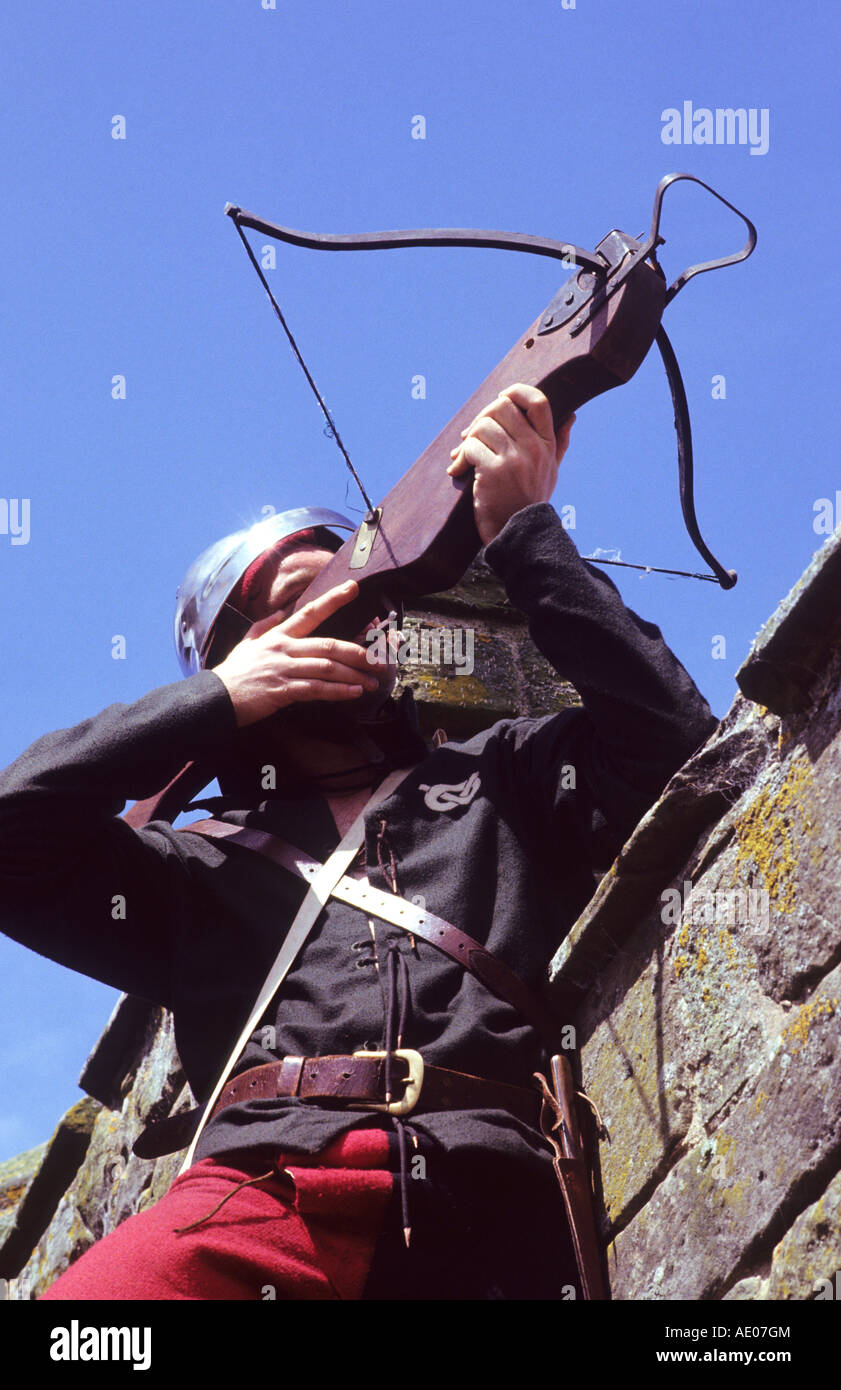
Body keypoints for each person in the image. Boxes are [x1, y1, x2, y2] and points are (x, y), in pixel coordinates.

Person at [0, 384, 717, 1300]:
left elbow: (676, 748)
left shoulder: (505, 776)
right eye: (309, 606)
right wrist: (217, 699)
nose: (355, 617)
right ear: (247, 652)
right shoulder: (193, 871)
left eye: (361, 596)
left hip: (496, 1214)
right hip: (261, 1197)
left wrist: (524, 533)